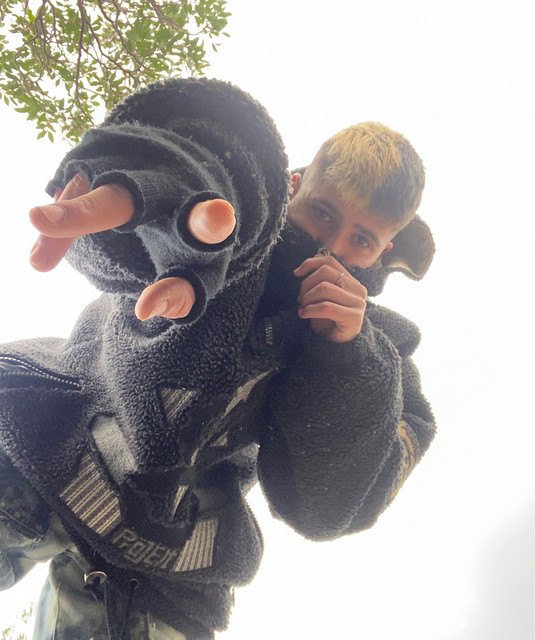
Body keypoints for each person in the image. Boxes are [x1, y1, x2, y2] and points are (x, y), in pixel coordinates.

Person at [0, 77, 435, 639]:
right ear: (293, 186)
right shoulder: (234, 211)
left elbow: (326, 511)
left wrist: (344, 359)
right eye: (323, 213)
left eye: (362, 240)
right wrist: (155, 190)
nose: (332, 247)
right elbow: (203, 158)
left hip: (167, 560)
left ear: (384, 250)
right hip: (40, 437)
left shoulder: (383, 354)